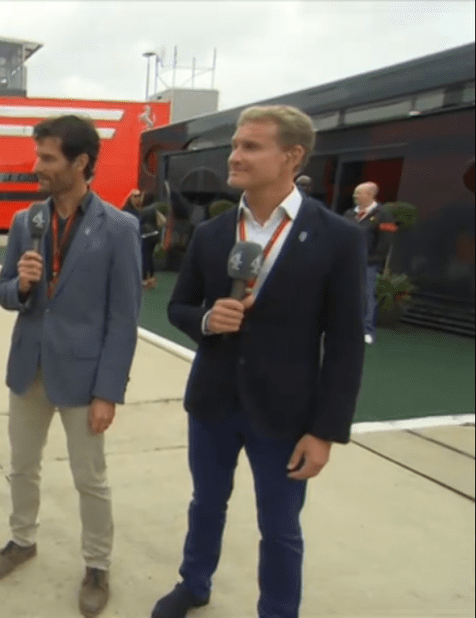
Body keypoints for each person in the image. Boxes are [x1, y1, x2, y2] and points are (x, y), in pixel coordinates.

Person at [154, 105, 366, 618]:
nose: (235, 155)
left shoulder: (339, 238)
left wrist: (326, 432)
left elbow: (344, 344)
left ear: (292, 156)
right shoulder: (213, 233)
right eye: (236, 144)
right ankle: (194, 581)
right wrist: (208, 320)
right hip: (213, 402)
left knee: (280, 526)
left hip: (286, 412)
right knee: (206, 504)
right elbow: (179, 306)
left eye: (251, 146)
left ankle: (277, 610)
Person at [0, 115, 142, 618]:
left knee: (90, 478)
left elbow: (124, 319)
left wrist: (108, 392)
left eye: (48, 158)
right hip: (28, 368)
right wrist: (24, 286)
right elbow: (4, 292)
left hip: (84, 376)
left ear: (80, 162)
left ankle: (97, 565)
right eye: (38, 156)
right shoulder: (23, 222)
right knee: (22, 466)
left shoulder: (119, 228)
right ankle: (21, 539)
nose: (38, 167)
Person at [344, 181, 396, 344]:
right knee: (343, 294)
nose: (355, 196)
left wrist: (374, 259)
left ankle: (367, 330)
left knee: (367, 296)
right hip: (346, 263)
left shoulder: (383, 214)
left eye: (359, 193)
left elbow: (386, 241)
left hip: (368, 264)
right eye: (355, 193)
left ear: (371, 194)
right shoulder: (349, 214)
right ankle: (342, 327)